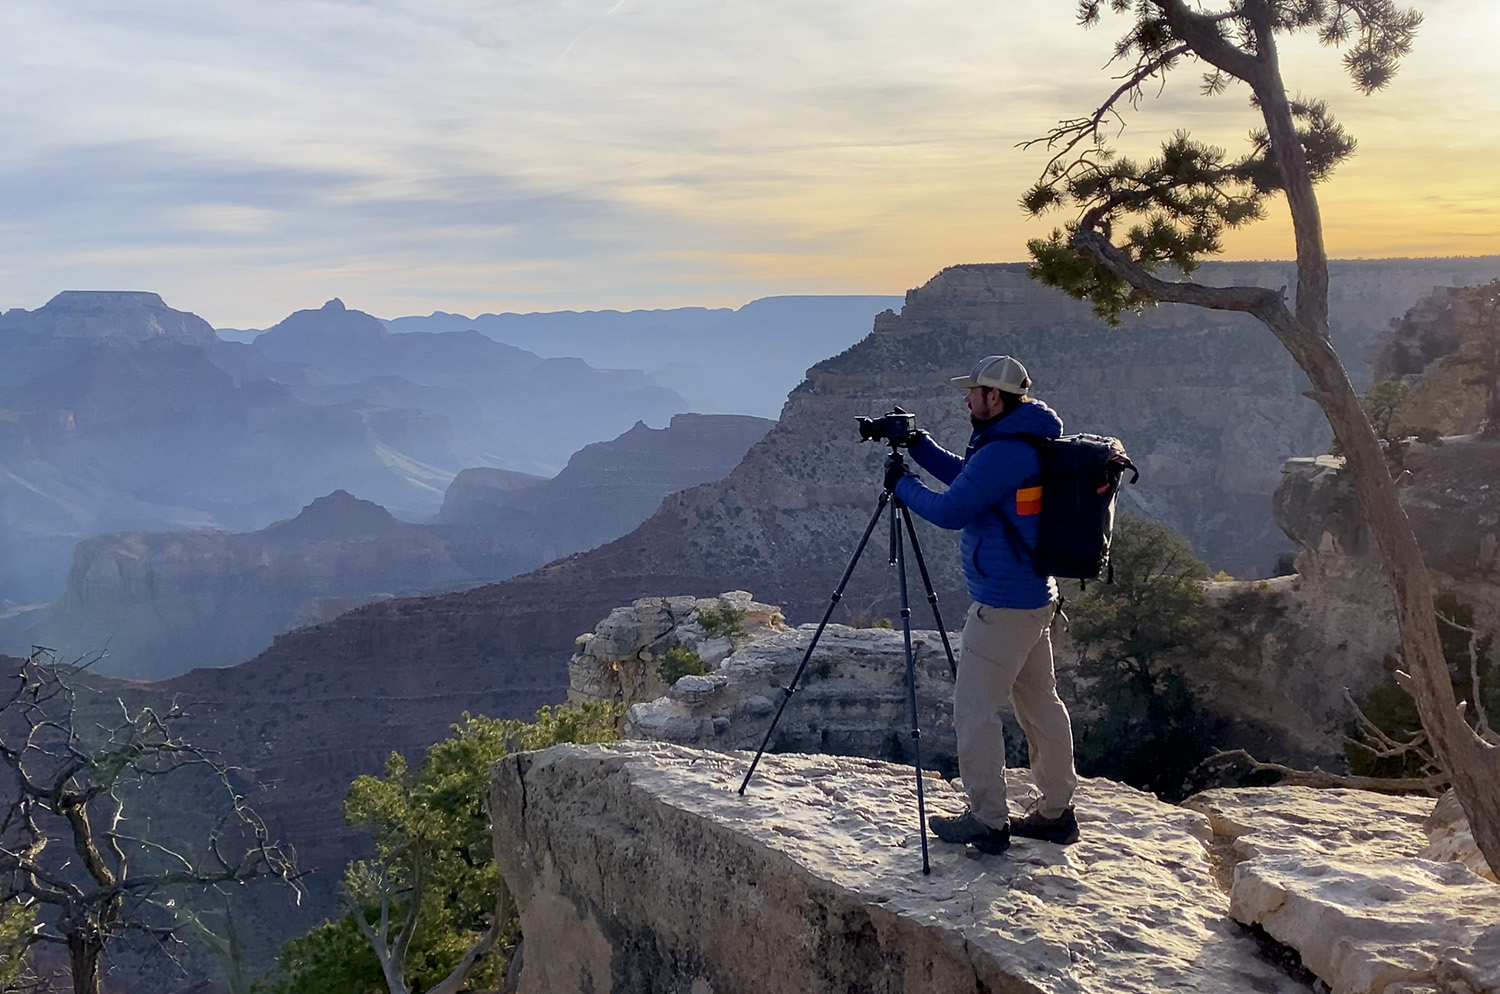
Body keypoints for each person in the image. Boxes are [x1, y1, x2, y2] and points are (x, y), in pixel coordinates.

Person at [885, 354, 1080, 854]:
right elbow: (970, 479)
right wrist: (919, 447)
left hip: (1003, 607)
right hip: (1036, 596)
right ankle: (1057, 813)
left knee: (974, 710)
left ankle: (988, 820)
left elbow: (953, 510)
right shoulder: (1020, 437)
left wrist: (903, 487)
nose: (966, 398)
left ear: (994, 397)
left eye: (973, 391)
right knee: (1040, 704)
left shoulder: (1004, 451)